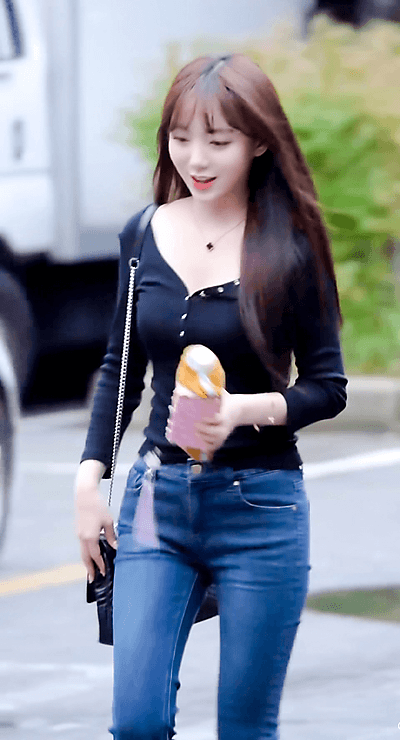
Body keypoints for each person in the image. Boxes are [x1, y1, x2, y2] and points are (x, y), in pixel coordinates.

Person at [75, 53, 348, 740]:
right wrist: (89, 480)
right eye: (180, 138)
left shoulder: (292, 246)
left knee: (245, 729)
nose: (196, 159)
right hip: (154, 507)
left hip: (261, 508)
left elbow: (328, 387)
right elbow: (120, 366)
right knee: (137, 723)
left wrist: (243, 412)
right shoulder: (143, 232)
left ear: (258, 142)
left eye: (218, 141)